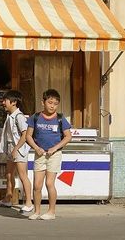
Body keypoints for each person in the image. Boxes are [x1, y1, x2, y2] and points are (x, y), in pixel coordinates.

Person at [25, 89, 72, 221]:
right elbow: (28, 135)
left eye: (55, 103)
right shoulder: (35, 117)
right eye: (50, 102)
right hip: (39, 154)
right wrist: (36, 148)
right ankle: (37, 211)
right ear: (43, 102)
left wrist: (55, 148)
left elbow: (68, 136)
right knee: (37, 185)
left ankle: (51, 212)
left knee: (50, 183)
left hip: (54, 154)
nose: (52, 106)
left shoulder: (60, 118)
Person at [0, 90, 33, 214]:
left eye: (5, 100)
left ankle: (29, 202)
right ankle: (8, 198)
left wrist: (16, 149)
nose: (3, 103)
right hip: (11, 148)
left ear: (14, 102)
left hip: (19, 149)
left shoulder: (19, 117)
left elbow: (25, 134)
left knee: (23, 176)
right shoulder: (10, 116)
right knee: (9, 174)